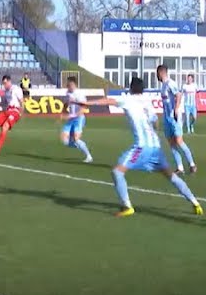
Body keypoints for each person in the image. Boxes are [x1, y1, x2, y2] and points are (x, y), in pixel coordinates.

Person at [76, 77, 203, 217]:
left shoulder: (128, 99)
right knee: (171, 177)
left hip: (142, 147)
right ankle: (195, 203)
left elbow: (109, 101)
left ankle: (127, 206)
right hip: (156, 148)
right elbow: (155, 123)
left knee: (117, 172)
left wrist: (87, 102)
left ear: (131, 88)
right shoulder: (147, 102)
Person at [156, 65, 196, 174]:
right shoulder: (163, 86)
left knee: (179, 141)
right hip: (166, 118)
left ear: (160, 73)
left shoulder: (170, 83)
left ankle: (192, 164)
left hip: (174, 117)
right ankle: (180, 167)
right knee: (171, 143)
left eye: (157, 73)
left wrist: (176, 109)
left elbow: (178, 95)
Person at [0, 75, 24, 158]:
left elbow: (21, 101)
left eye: (5, 83)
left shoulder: (16, 89)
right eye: (3, 83)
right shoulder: (6, 91)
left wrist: (20, 113)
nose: (4, 85)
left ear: (9, 81)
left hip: (15, 111)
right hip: (7, 111)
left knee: (5, 127)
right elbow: (3, 103)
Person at [60, 76, 93, 163]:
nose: (68, 86)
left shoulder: (79, 94)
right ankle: (82, 145)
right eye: (67, 84)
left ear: (74, 85)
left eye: (70, 84)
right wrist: (62, 113)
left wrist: (71, 116)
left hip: (79, 118)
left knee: (76, 139)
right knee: (64, 140)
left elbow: (83, 109)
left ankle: (88, 156)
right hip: (71, 119)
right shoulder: (67, 93)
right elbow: (66, 104)